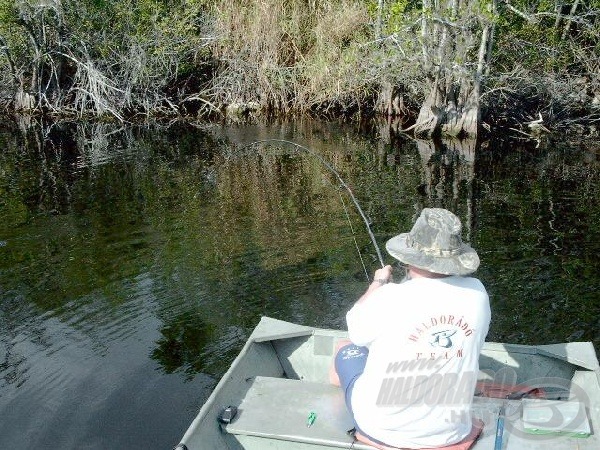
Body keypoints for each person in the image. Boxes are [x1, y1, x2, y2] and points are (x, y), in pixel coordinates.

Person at [331, 208, 491, 449]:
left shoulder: (388, 296)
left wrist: (379, 282)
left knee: (344, 349)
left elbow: (355, 329)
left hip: (380, 429)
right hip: (452, 432)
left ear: (409, 257)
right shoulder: (477, 293)